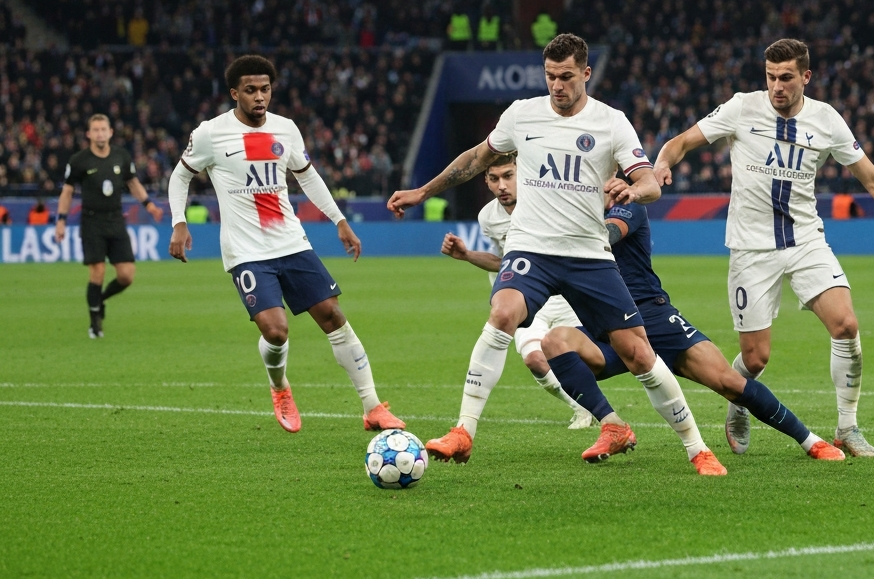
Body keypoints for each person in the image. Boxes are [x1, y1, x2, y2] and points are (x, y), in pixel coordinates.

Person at [388, 33, 725, 476]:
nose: (557, 85)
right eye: (550, 76)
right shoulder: (522, 114)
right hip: (533, 247)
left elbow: (649, 182)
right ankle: (463, 430)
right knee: (502, 313)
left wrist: (634, 189)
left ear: (586, 73)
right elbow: (477, 157)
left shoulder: (611, 122)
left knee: (639, 354)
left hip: (588, 254)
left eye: (566, 76)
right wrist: (423, 191)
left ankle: (697, 448)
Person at [653, 38, 874, 459]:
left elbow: (871, 178)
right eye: (771, 77)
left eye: (786, 78)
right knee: (755, 359)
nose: (777, 86)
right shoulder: (741, 108)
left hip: (805, 240)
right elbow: (681, 142)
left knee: (845, 325)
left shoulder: (826, 119)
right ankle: (739, 399)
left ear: (806, 77)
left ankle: (847, 428)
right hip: (751, 249)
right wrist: (662, 162)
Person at [167, 54, 405, 435]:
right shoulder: (211, 133)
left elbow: (307, 176)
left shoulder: (286, 129)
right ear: (234, 93)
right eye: (250, 90)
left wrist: (339, 220)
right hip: (246, 251)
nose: (260, 96)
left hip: (291, 241)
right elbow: (180, 177)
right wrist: (179, 223)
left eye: (265, 89)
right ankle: (279, 387)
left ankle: (373, 407)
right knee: (276, 331)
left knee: (333, 315)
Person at [541, 199, 846, 462]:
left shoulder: (628, 204)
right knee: (555, 341)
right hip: (608, 327)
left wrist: (560, 238)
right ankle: (613, 425)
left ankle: (809, 441)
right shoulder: (566, 209)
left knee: (729, 382)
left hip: (654, 318)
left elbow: (609, 235)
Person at [439, 158, 595, 429]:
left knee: (591, 359)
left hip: (566, 297)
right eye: (494, 179)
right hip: (525, 300)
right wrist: (467, 255)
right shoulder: (488, 217)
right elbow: (504, 262)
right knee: (534, 359)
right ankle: (581, 407)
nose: (502, 185)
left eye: (508, 176)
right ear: (486, 181)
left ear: (522, 173)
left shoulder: (548, 204)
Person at [55, 114, 164, 338]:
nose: (100, 134)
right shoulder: (79, 160)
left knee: (127, 275)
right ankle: (95, 323)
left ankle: (101, 299)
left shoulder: (121, 156)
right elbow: (67, 191)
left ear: (111, 132)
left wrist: (149, 205)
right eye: (95, 130)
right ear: (88, 134)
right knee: (98, 271)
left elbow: (132, 182)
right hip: (92, 221)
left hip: (115, 219)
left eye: (103, 129)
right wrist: (61, 220)